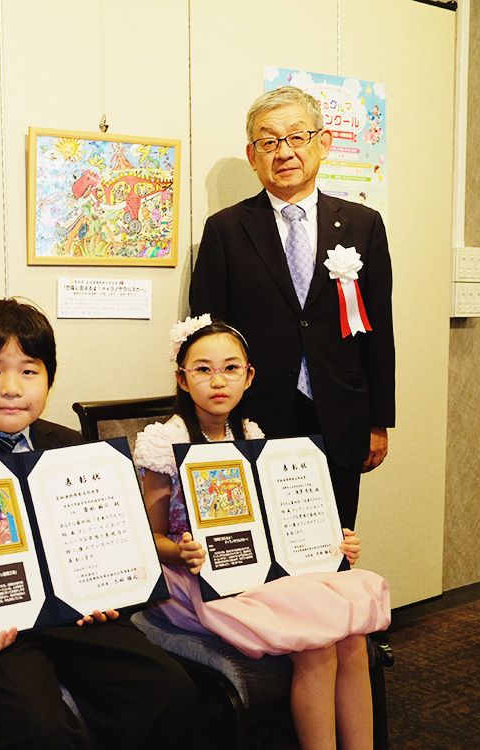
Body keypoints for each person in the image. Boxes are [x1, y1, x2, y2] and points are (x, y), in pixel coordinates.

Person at [0, 297, 197, 749]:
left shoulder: (71, 446)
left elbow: (105, 540)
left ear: (49, 379)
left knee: (169, 689)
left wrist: (110, 597)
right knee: (39, 730)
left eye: (29, 371)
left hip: (72, 620)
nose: (12, 388)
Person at [134, 315, 391, 750]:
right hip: (194, 579)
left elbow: (274, 520)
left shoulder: (250, 434)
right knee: (316, 642)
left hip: (256, 568)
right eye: (203, 369)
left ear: (249, 376)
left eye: (231, 368)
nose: (218, 381)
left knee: (351, 637)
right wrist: (182, 552)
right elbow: (149, 537)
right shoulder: (165, 441)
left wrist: (330, 542)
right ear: (182, 378)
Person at [189, 85, 395, 528]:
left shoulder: (363, 225)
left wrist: (378, 421)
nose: (284, 152)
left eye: (297, 137)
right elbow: (205, 334)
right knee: (258, 544)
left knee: (334, 543)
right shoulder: (225, 230)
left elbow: (379, 330)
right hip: (254, 417)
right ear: (252, 155)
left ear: (323, 143)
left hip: (340, 416)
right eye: (268, 142)